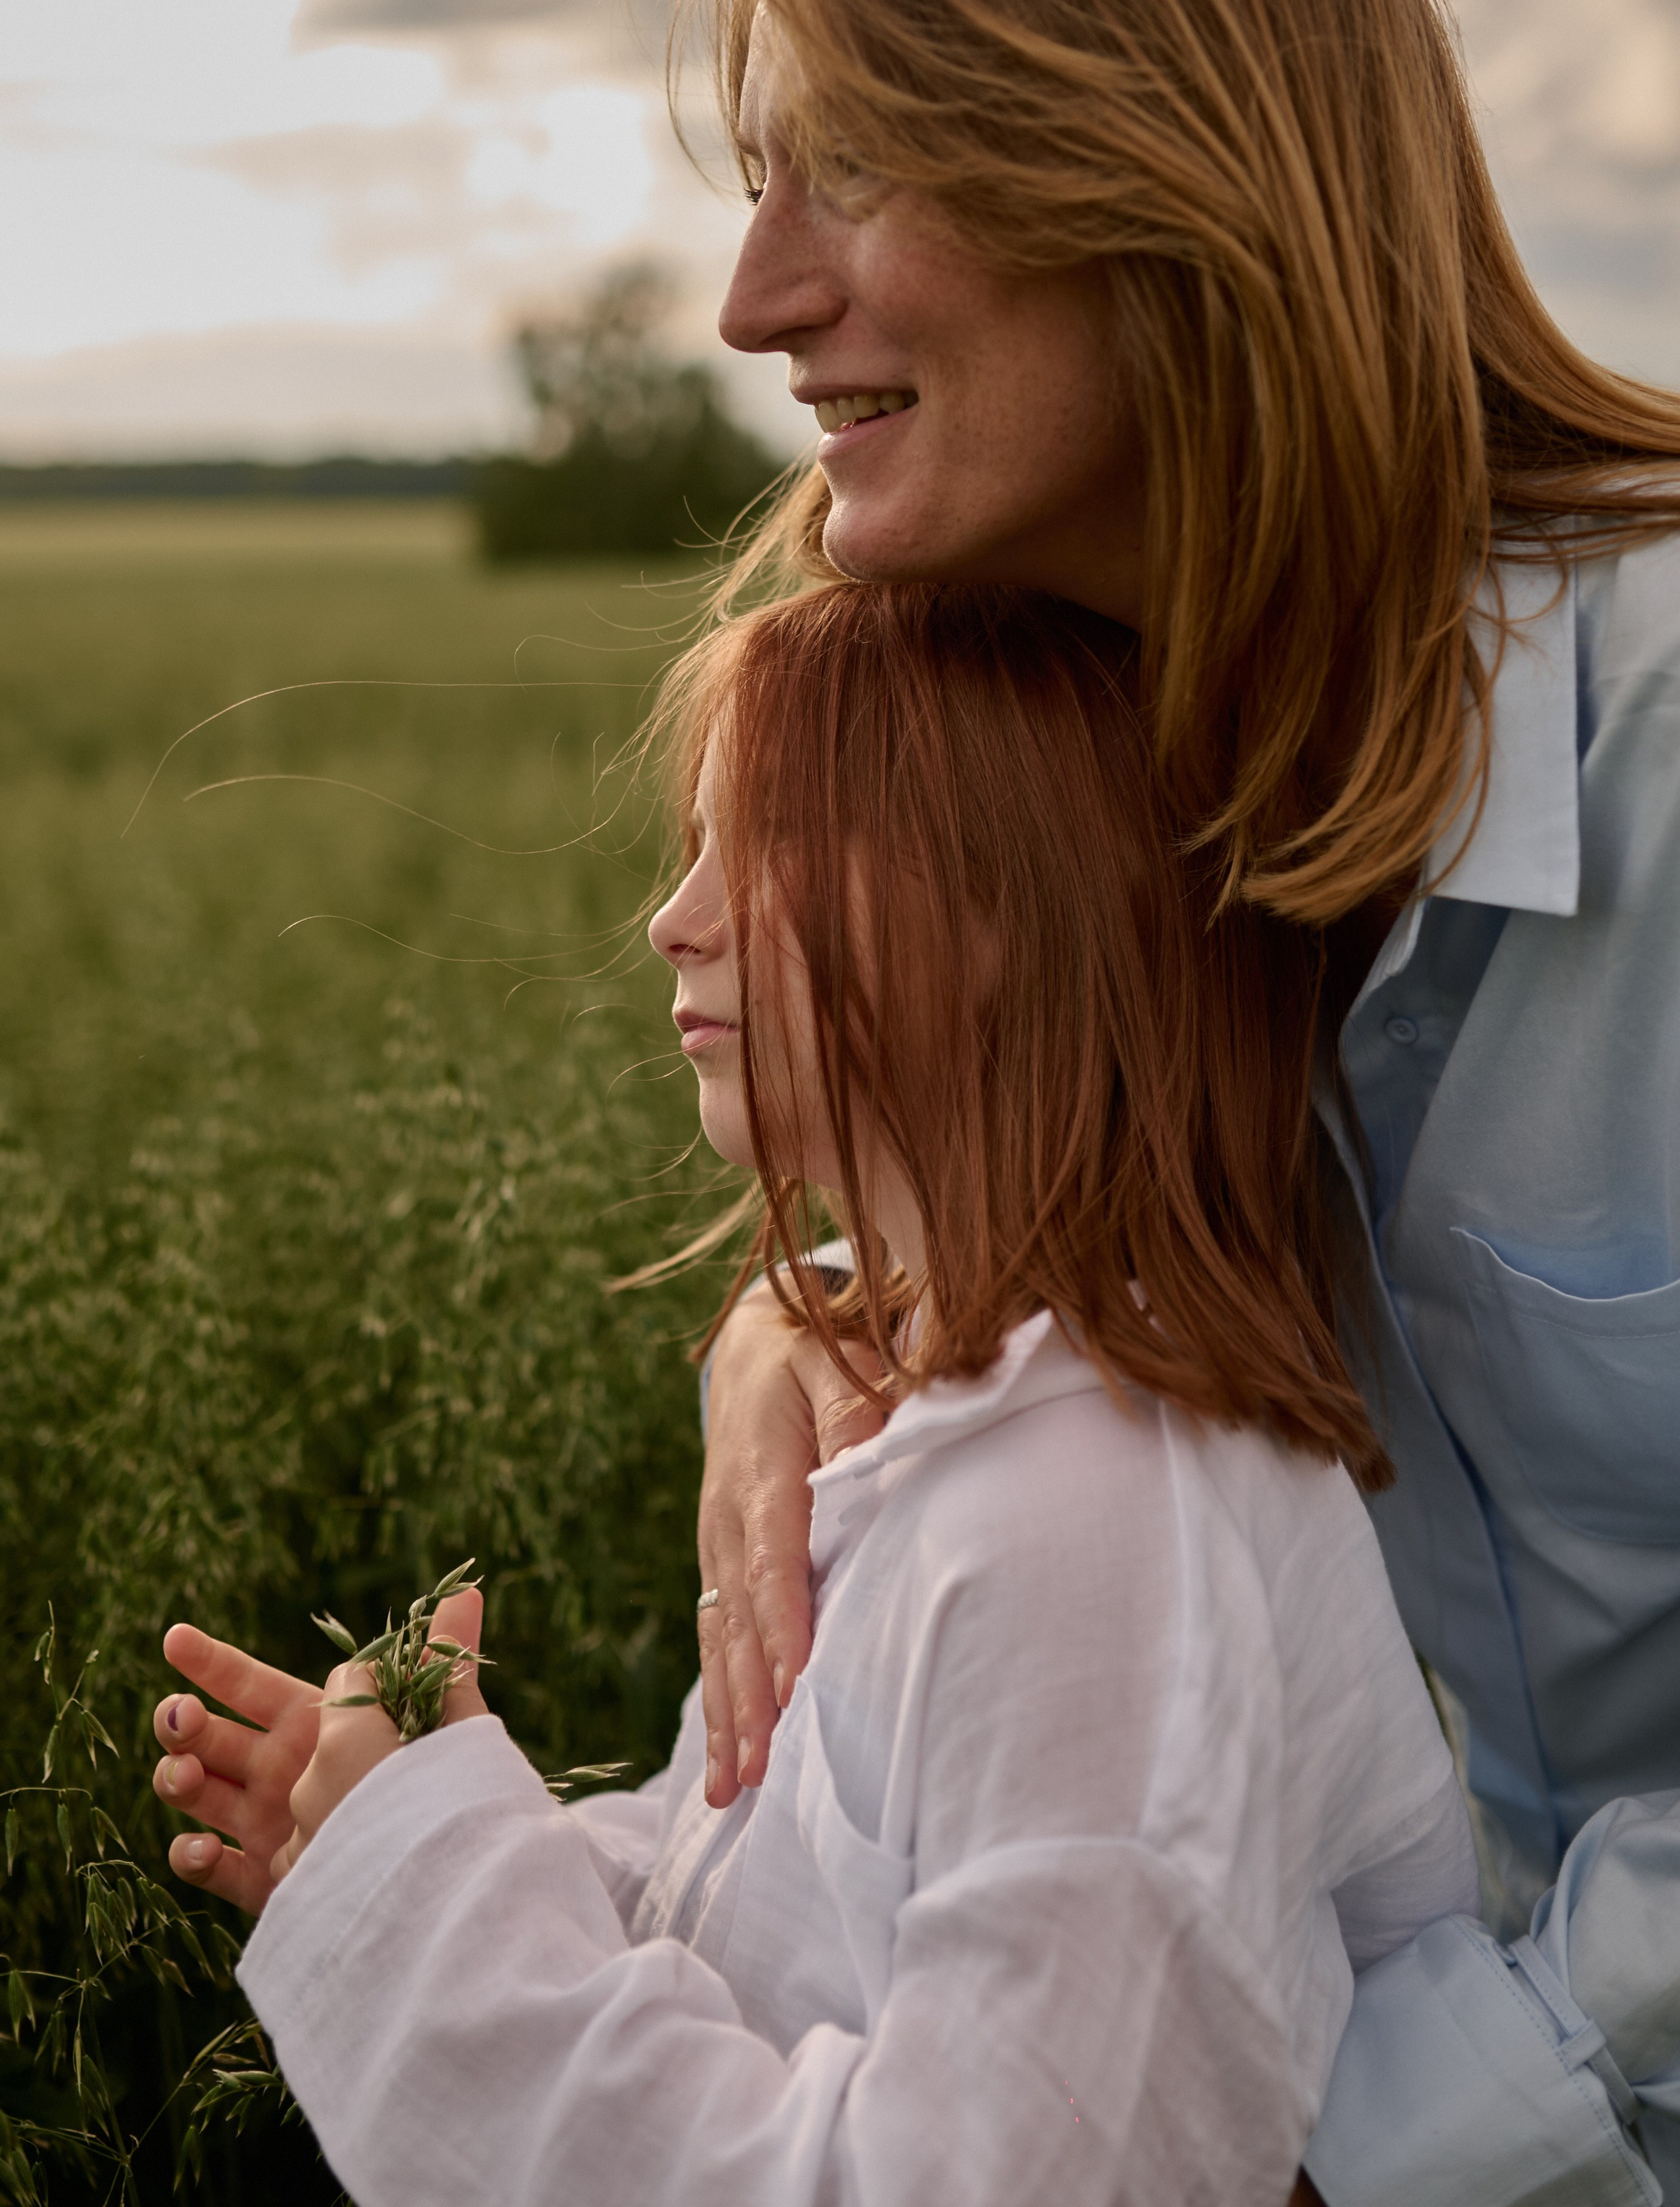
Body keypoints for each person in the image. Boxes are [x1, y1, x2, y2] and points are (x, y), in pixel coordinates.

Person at [680, 0, 1680, 2206]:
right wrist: (799, 1315)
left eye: (861, 166)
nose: (749, 297)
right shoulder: (1094, 760)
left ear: (1162, 158)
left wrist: (1374, 2141)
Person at [152, 581, 1476, 2204]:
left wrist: (444, 1906)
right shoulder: (921, 1409)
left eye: (762, 845)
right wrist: (398, 1838)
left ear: (1009, 910)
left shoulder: (1096, 1533)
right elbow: (763, 1904)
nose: (673, 918)